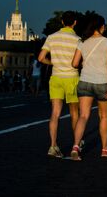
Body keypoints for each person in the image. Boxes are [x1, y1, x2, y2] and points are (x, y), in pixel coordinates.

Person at [69, 14, 107, 160]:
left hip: (85, 82)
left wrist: (86, 64)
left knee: (83, 116)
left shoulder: (82, 42)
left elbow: (74, 64)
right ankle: (104, 149)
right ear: (102, 27)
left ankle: (76, 146)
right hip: (102, 82)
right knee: (104, 116)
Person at [38, 11, 81, 158]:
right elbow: (79, 61)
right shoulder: (78, 39)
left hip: (56, 77)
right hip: (72, 78)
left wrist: (52, 62)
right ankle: (76, 144)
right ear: (75, 22)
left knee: (55, 114)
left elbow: (41, 57)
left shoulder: (51, 37)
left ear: (62, 22)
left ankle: (53, 145)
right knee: (74, 113)